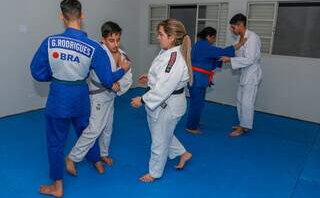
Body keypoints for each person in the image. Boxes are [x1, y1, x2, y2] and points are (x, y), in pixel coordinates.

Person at [30, 0, 129, 197]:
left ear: (62, 17)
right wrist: (122, 70)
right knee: (86, 130)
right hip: (81, 97)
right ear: (82, 16)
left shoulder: (50, 42)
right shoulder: (93, 47)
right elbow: (108, 79)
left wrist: (56, 77)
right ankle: (97, 162)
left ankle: (57, 186)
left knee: (56, 142)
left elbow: (36, 72)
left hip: (59, 97)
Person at [65, 21, 133, 175]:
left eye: (118, 40)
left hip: (111, 97)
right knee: (94, 129)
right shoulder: (98, 53)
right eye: (111, 40)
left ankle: (103, 154)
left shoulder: (123, 56)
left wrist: (120, 86)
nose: (115, 44)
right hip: (98, 95)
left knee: (108, 128)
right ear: (103, 39)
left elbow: (128, 76)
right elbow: (103, 77)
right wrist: (112, 83)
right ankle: (72, 157)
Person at [131, 18, 193, 183]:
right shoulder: (167, 52)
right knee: (162, 134)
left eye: (161, 34)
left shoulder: (175, 59)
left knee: (159, 140)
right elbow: (162, 76)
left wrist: (142, 100)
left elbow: (164, 88)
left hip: (168, 105)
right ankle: (184, 154)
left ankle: (155, 172)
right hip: (163, 102)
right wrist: (149, 77)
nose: (158, 37)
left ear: (172, 37)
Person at [185, 27, 246, 134]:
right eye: (214, 38)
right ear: (209, 36)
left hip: (194, 78)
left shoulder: (198, 45)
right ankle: (191, 127)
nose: (214, 40)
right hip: (198, 79)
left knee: (196, 102)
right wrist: (239, 45)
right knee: (197, 103)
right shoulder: (205, 46)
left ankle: (194, 121)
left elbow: (210, 58)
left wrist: (222, 59)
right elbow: (222, 52)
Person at [220, 13, 262, 137]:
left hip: (252, 74)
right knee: (240, 99)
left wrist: (230, 60)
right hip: (244, 73)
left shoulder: (252, 38)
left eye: (233, 27)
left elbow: (249, 59)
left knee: (247, 102)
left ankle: (244, 127)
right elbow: (237, 53)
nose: (232, 30)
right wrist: (226, 55)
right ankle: (242, 123)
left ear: (241, 25)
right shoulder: (240, 39)